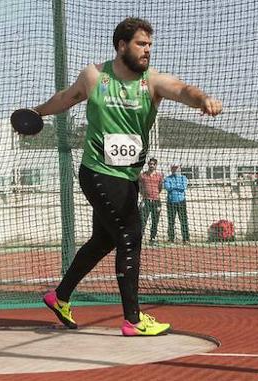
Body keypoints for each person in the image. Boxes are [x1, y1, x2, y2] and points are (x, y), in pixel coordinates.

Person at [30, 17, 222, 336]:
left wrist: (202, 100)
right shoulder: (95, 76)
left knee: (104, 239)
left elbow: (182, 90)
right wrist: (36, 113)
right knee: (130, 236)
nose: (147, 51)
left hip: (126, 176)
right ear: (121, 45)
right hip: (98, 172)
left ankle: (59, 296)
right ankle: (133, 320)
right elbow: (65, 99)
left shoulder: (152, 82)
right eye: (140, 44)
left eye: (149, 45)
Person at [139, 158, 164, 245]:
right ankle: (139, 239)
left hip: (156, 201)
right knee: (142, 220)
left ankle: (152, 239)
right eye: (150, 164)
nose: (151, 166)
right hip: (145, 201)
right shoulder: (143, 175)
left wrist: (156, 195)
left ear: (156, 165)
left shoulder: (159, 175)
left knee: (155, 221)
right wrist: (143, 196)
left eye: (153, 164)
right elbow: (140, 187)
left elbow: (160, 188)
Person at [164, 163, 190, 244]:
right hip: (171, 202)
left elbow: (184, 187)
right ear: (171, 169)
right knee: (171, 221)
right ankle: (171, 239)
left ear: (179, 169)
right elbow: (167, 187)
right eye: (173, 168)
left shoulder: (183, 178)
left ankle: (186, 239)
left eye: (176, 168)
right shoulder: (168, 178)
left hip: (181, 201)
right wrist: (177, 186)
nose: (175, 170)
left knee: (183, 221)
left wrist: (174, 186)